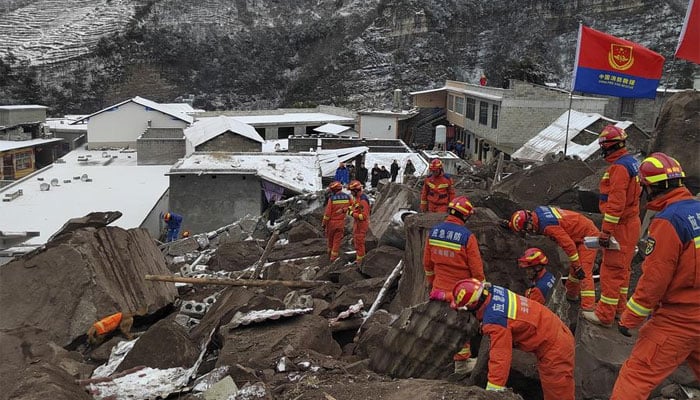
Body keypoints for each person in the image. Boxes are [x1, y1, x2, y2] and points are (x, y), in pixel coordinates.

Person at [610, 153, 699, 400]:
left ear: (652, 188)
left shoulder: (668, 221)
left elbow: (654, 281)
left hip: (678, 320)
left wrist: (630, 319)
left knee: (636, 376)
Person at [451, 278, 575, 400]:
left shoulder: (496, 321)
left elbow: (500, 358)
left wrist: (493, 391)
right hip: (553, 330)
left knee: (558, 395)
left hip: (555, 347)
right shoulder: (494, 291)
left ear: (473, 306)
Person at [583, 125, 641, 327]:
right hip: (631, 223)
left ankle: (605, 315)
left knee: (611, 270)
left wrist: (606, 231)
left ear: (608, 146)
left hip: (621, 226)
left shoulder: (619, 169)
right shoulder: (630, 163)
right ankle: (619, 310)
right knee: (623, 271)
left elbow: (616, 204)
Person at [424, 196, 484, 374]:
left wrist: (432, 284)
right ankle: (461, 365)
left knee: (440, 324)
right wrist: (481, 289)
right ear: (465, 216)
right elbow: (477, 270)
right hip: (461, 292)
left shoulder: (434, 232)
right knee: (460, 328)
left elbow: (427, 264)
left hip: (438, 289)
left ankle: (436, 359)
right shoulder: (467, 237)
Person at [508, 206, 597, 310]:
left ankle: (588, 307)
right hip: (578, 229)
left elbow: (568, 245)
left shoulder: (549, 227)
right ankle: (571, 295)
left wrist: (577, 266)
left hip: (587, 235)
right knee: (575, 269)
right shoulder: (537, 213)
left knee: (583, 270)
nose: (528, 232)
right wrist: (511, 225)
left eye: (527, 229)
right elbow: (523, 222)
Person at [322, 181, 350, 262]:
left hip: (331, 223)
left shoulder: (332, 199)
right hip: (341, 222)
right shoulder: (347, 197)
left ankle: (330, 256)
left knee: (330, 240)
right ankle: (334, 258)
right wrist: (344, 210)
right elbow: (352, 206)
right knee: (337, 241)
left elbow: (327, 214)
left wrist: (324, 224)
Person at [348, 180, 371, 265]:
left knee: (359, 245)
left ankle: (360, 263)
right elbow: (355, 207)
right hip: (358, 225)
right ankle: (359, 261)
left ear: (355, 191)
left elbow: (363, 216)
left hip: (361, 225)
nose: (351, 193)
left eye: (351, 191)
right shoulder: (358, 198)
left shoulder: (362, 200)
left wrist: (352, 214)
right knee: (358, 244)